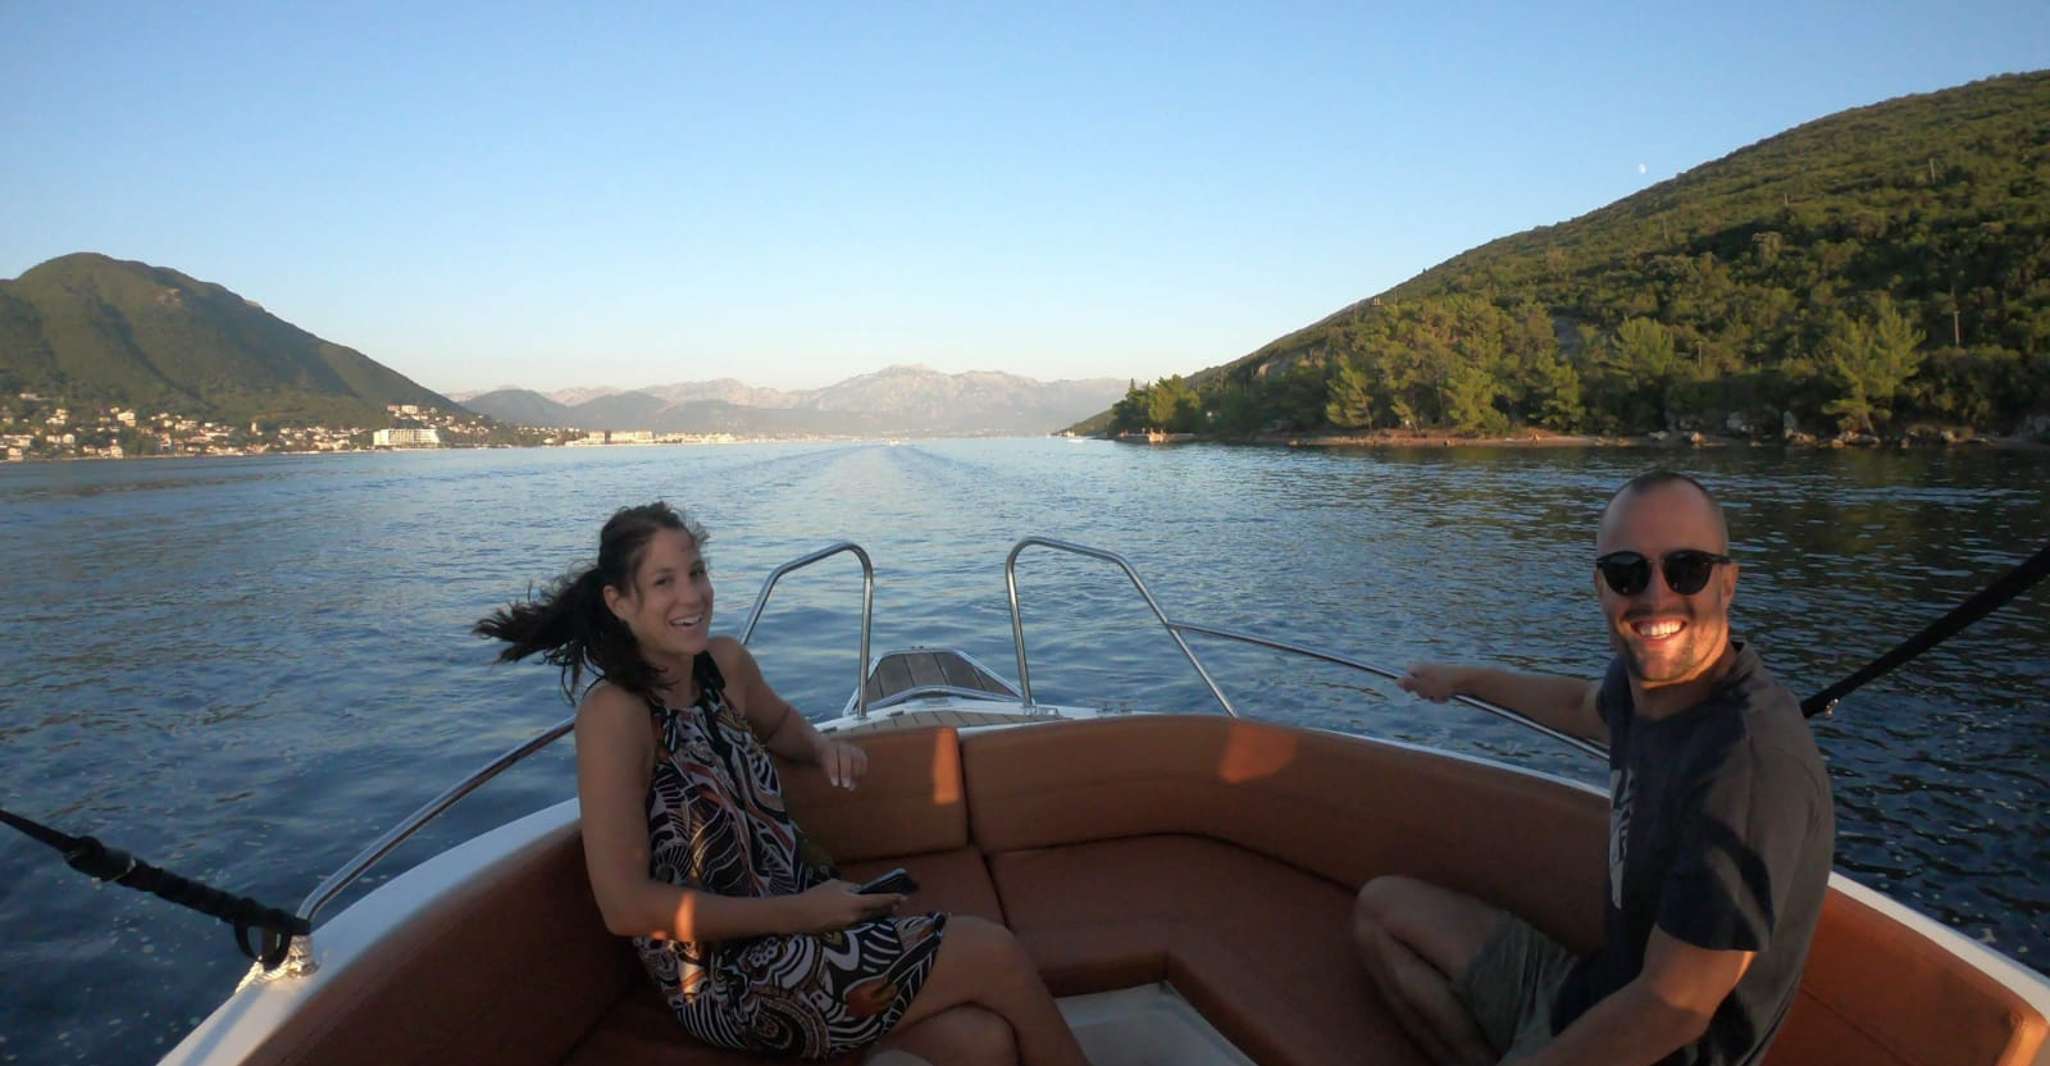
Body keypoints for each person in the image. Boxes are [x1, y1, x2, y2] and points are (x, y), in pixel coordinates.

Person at [477, 502, 1088, 1066]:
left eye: (696, 572)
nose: (692, 595)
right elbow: (624, 906)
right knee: (992, 951)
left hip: (810, 924)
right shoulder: (617, 714)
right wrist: (801, 911)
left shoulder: (723, 666)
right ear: (619, 601)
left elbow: (781, 725)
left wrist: (824, 749)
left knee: (983, 1044)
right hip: (731, 978)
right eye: (664, 582)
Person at [1353, 471, 1834, 1065]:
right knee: (1382, 912)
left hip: (1650, 1049)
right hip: (1587, 994)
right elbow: (1580, 706)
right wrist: (1466, 679)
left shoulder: (1748, 764)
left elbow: (1669, 1008)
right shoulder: (1647, 689)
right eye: (1627, 572)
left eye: (1686, 569)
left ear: (1727, 585)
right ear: (1601, 587)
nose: (1655, 597)